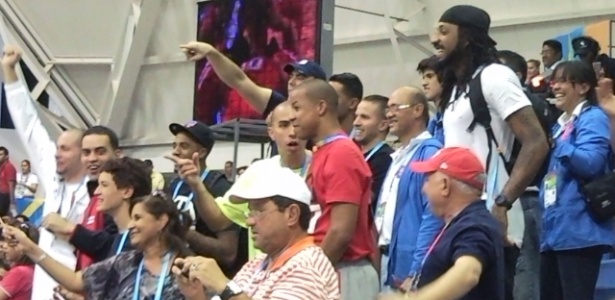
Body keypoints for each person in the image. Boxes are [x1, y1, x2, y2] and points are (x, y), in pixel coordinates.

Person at [432, 5, 549, 299]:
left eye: (444, 31)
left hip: (488, 213)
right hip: (459, 213)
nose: (435, 39)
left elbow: (536, 142)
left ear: (468, 37)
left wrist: (502, 203)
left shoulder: (495, 76)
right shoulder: (456, 88)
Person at [2, 45, 94, 300]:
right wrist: (9, 71)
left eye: (65, 149)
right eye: (57, 147)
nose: (57, 153)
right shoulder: (53, 176)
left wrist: (70, 228)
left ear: (82, 153)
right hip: (43, 285)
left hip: (75, 283)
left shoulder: (97, 193)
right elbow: (29, 123)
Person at [168, 101, 311, 260]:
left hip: (309, 271)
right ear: (271, 132)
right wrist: (196, 184)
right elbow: (218, 220)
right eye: (284, 125)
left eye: (297, 124)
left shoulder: (325, 165)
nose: (292, 132)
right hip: (261, 276)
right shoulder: (258, 171)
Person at [174, 166, 340, 300]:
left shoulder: (306, 268)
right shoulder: (258, 263)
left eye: (259, 211)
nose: (249, 221)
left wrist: (224, 286)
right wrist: (196, 295)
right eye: (250, 212)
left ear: (292, 215)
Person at [1, 193, 203, 300]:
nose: (131, 225)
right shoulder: (125, 263)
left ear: (161, 221)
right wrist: (30, 247)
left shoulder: (187, 269)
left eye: (138, 218)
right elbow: (74, 280)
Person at [289, 79, 378, 299]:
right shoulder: (325, 151)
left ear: (320, 107)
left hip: (344, 270)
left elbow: (341, 231)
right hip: (332, 266)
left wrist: (310, 276)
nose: (292, 116)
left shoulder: (341, 153)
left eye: (297, 107)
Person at [379, 147, 504, 300]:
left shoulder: (474, 225)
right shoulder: (463, 221)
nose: (423, 189)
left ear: (445, 185)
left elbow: (468, 273)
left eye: (427, 180)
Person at [539, 61, 615, 300]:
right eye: (554, 81)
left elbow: (591, 163)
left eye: (562, 81)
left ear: (583, 87)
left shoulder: (592, 118)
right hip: (556, 232)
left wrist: (561, 146)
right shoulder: (561, 123)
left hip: (579, 232)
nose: (555, 86)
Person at [377, 87, 443, 291]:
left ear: (417, 110)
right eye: (388, 109)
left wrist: (417, 270)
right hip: (389, 261)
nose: (389, 114)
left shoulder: (430, 152)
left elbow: (433, 216)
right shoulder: (401, 154)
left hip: (410, 267)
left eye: (396, 108)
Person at [168, 120, 246, 277]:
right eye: (174, 146)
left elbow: (228, 253)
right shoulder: (174, 184)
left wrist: (181, 231)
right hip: (176, 277)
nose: (175, 152)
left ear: (202, 153)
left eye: (184, 146)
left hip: (208, 283)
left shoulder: (220, 187)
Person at [65, 157, 152, 262]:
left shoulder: (140, 244)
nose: (97, 192)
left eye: (104, 185)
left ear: (127, 191)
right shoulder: (117, 239)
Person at [353, 95, 393, 213]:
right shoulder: (356, 154)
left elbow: (365, 202)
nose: (356, 122)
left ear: (383, 125)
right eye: (356, 116)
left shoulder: (385, 159)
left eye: (364, 117)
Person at [0, 221, 38, 300]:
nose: (4, 245)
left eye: (9, 241)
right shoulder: (29, 269)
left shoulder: (20, 272)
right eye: (4, 240)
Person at [417, 56, 444, 143]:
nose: (423, 83)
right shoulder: (433, 122)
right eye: (423, 78)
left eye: (430, 76)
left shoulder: (456, 117)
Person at [0, 147, 16, 217]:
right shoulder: (1, 167)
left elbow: (11, 185)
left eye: (1, 154)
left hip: (4, 196)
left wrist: (12, 202)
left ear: (6, 156)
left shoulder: (9, 167)